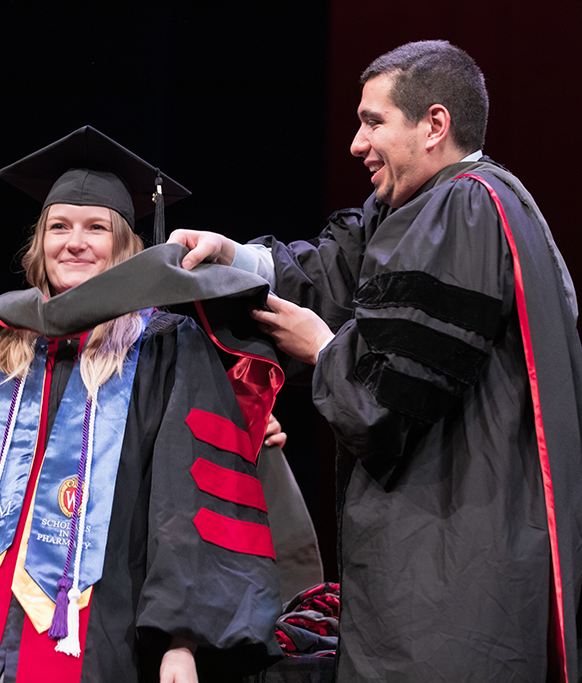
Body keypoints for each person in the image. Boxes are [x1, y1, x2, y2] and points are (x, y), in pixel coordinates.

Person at [170, 40, 581, 682]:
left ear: (434, 125)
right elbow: (330, 276)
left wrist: (325, 348)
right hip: (440, 556)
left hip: (449, 562)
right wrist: (232, 258)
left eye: (373, 122)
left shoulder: (464, 209)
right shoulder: (425, 207)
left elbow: (390, 395)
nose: (357, 144)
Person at [0, 127, 284, 683]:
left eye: (95, 228)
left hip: (96, 635)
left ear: (125, 245)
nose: (74, 243)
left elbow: (183, 505)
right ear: (39, 242)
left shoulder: (164, 349)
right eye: (59, 227)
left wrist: (181, 641)